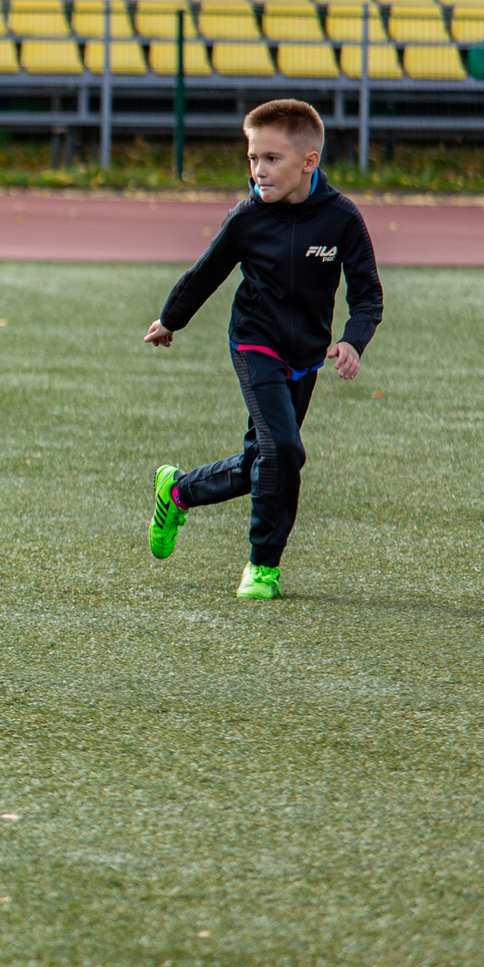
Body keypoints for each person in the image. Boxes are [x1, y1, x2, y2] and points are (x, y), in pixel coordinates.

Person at [144, 97, 382, 599]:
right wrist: (171, 319)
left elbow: (368, 296)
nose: (258, 170)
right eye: (252, 158)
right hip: (255, 343)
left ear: (308, 161)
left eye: (271, 159)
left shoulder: (341, 220)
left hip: (307, 356)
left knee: (264, 461)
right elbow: (206, 273)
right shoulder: (247, 217)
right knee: (284, 451)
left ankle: (178, 491)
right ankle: (262, 567)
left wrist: (351, 341)